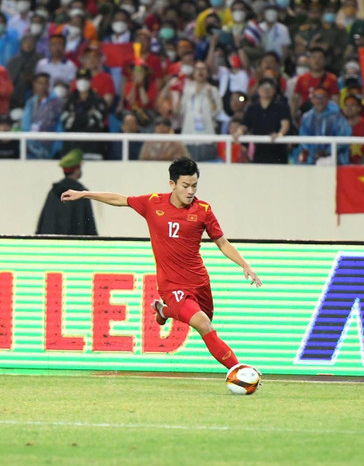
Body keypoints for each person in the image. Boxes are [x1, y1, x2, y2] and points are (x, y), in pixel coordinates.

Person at [60, 157, 262, 374]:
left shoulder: (203, 210)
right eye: (185, 186)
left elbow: (222, 243)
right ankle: (241, 372)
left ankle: (163, 310)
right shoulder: (153, 203)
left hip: (199, 282)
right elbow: (120, 199)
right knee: (204, 325)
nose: (191, 191)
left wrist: (244, 265)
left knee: (206, 321)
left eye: (195, 186)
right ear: (172, 184)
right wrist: (84, 194)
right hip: (171, 285)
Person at [36, 149, 98, 235]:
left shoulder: (54, 191)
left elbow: (44, 222)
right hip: (75, 241)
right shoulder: (81, 193)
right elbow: (89, 226)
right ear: (77, 169)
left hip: (53, 241)